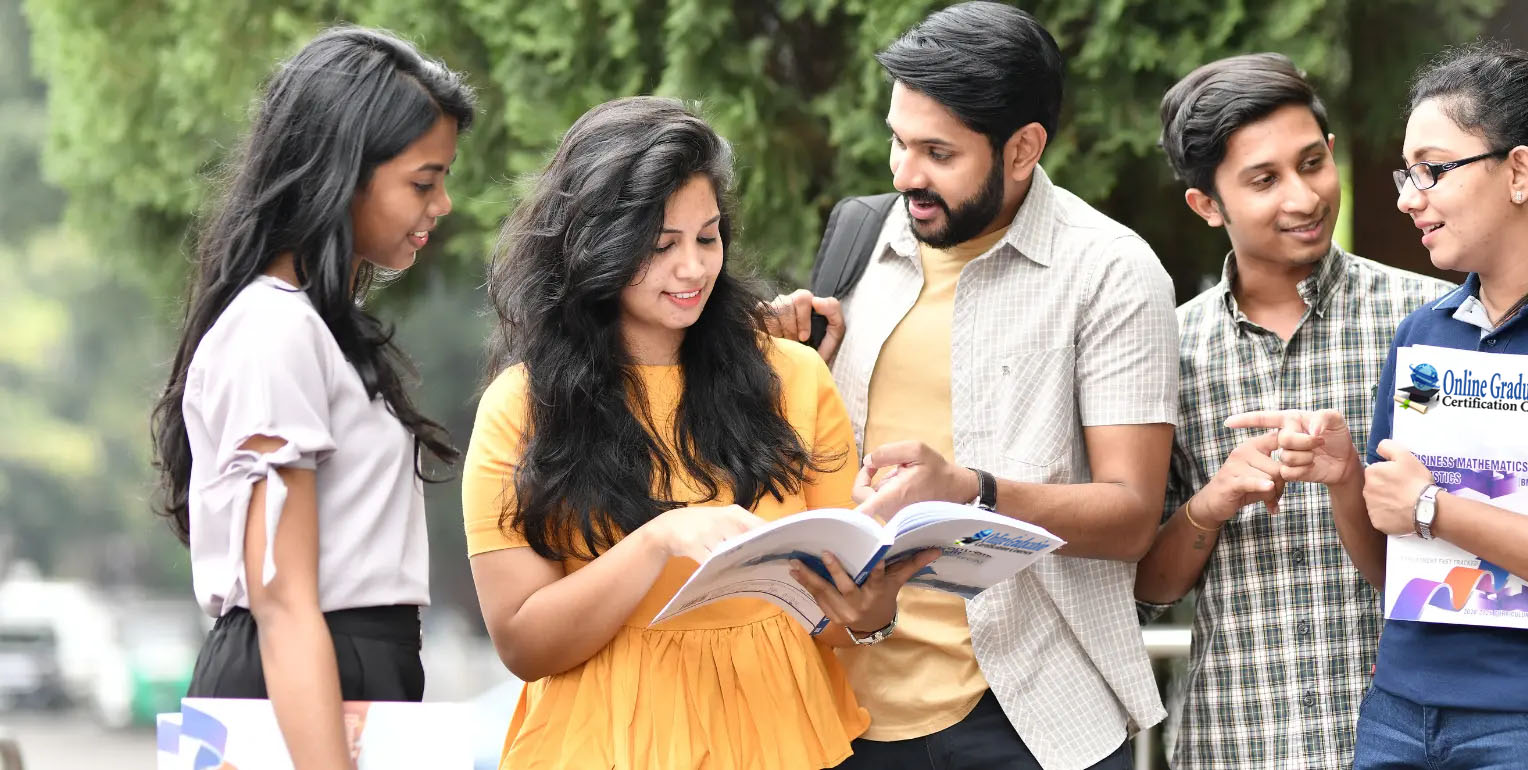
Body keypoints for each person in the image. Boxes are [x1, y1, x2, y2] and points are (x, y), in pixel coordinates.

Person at [1240, 43, 1528, 769]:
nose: (1407, 198)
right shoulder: (1425, 337)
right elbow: (1399, 566)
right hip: (1398, 714)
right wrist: (1347, 476)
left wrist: (1435, 508)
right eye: (1405, 174)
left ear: (1519, 172)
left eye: (1432, 169)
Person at [462, 96, 938, 770]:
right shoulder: (522, 405)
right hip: (609, 743)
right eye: (661, 246)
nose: (693, 268)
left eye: (707, 238)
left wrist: (871, 610)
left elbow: (833, 621)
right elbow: (523, 642)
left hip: (780, 737)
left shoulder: (794, 376)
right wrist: (658, 540)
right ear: (596, 245)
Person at [767, 4, 1178, 768]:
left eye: (937, 152)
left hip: (1025, 716)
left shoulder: (1111, 273)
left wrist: (970, 491)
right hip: (843, 709)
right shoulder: (860, 239)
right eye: (898, 141)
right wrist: (787, 362)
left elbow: (1130, 516)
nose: (904, 174)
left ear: (1023, 149)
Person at [150, 26, 474, 770]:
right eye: (423, 182)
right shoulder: (274, 330)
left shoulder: (314, 328)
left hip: (342, 671)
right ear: (344, 172)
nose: (444, 203)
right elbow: (282, 599)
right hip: (298, 681)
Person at [1133, 53, 1452, 769]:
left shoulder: (1429, 323)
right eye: (1264, 180)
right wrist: (1211, 503)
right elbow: (1146, 588)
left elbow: (1470, 543)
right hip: (1236, 740)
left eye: (1312, 164)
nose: (1304, 198)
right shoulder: (1166, 353)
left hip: (1411, 738)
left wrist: (1356, 478)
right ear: (1205, 204)